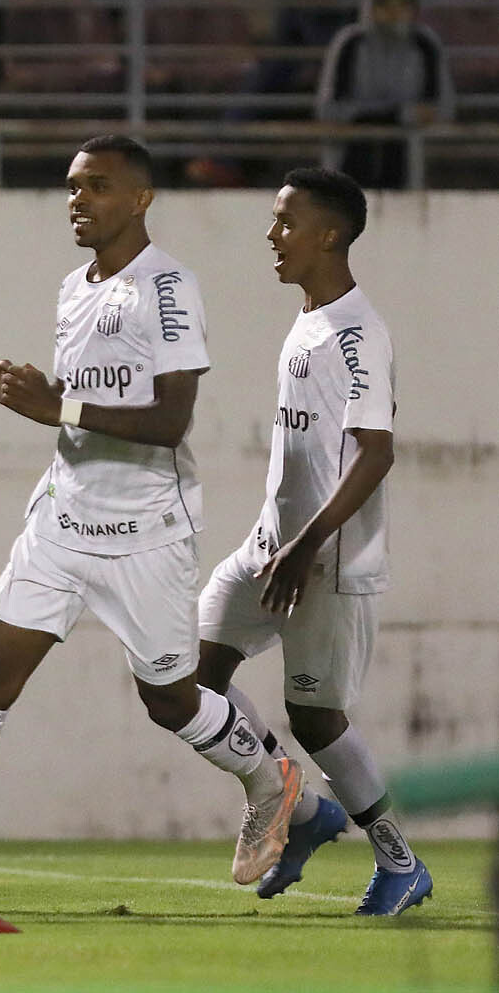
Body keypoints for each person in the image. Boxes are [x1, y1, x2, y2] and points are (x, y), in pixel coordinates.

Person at [0, 136, 302, 914]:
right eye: (73, 187)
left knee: (171, 699)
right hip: (62, 520)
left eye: (99, 187)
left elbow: (172, 417)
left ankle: (266, 776)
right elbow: (77, 406)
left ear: (142, 198)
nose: (79, 200)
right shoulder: (72, 288)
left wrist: (58, 406)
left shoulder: (169, 285)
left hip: (145, 530)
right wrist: (36, 395)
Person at [196, 168, 429, 916]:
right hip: (271, 547)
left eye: (285, 222)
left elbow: (376, 451)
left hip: (325, 560)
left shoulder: (360, 331)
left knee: (317, 718)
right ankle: (297, 808)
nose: (272, 235)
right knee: (185, 677)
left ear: (328, 234)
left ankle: (400, 860)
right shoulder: (307, 319)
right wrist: (282, 541)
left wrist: (305, 545)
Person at [316, 0, 455, 189]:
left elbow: (443, 109)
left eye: (402, 4)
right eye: (384, 4)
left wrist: (370, 113)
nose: (393, 12)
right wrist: (402, 114)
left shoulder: (426, 45)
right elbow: (328, 110)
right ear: (369, 7)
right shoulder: (349, 44)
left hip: (408, 162)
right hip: (350, 159)